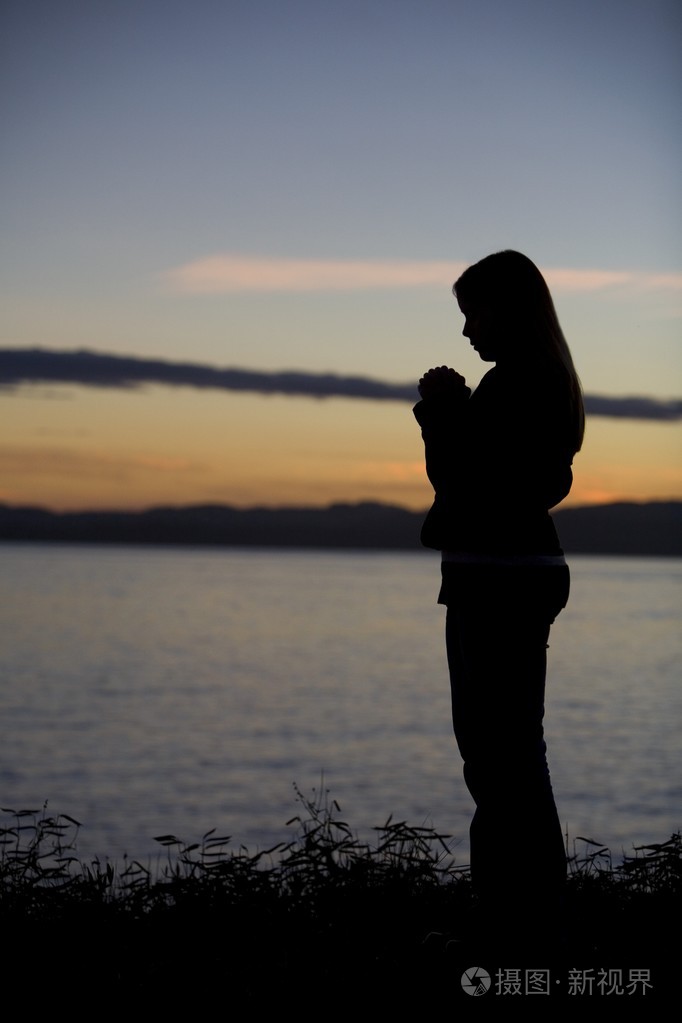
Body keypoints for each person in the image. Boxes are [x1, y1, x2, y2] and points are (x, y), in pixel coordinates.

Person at [414, 250, 584, 946]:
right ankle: (525, 906)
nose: (468, 332)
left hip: (498, 577)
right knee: (509, 749)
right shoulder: (543, 383)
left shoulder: (516, 386)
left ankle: (517, 913)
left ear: (509, 309)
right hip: (515, 573)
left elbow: (468, 487)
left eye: (474, 313)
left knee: (496, 752)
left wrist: (443, 413)